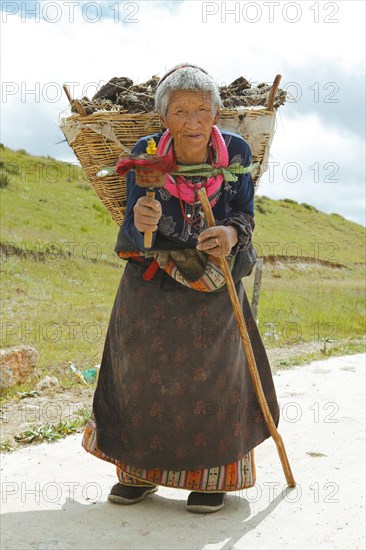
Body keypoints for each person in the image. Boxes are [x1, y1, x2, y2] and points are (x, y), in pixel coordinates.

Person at [82, 63, 279, 514]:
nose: (193, 120)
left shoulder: (236, 150)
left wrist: (229, 234)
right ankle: (137, 472)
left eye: (202, 109)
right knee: (140, 375)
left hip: (215, 279)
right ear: (164, 117)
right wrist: (142, 222)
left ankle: (213, 477)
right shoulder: (146, 151)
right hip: (152, 280)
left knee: (215, 378)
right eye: (180, 111)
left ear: (216, 112)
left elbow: (245, 215)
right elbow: (135, 226)